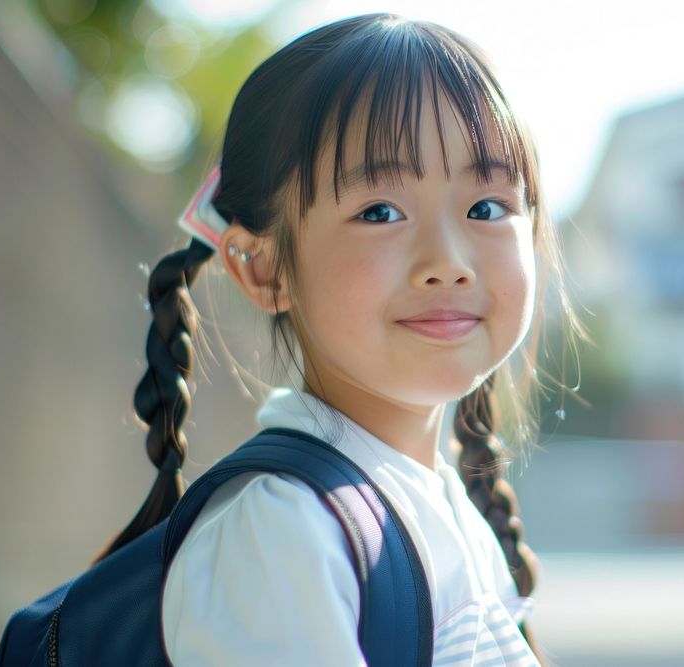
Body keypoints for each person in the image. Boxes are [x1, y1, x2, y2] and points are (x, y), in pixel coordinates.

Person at [100, 12, 586, 666]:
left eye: (486, 207)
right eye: (380, 212)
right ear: (264, 267)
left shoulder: (436, 505)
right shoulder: (282, 532)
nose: (448, 259)